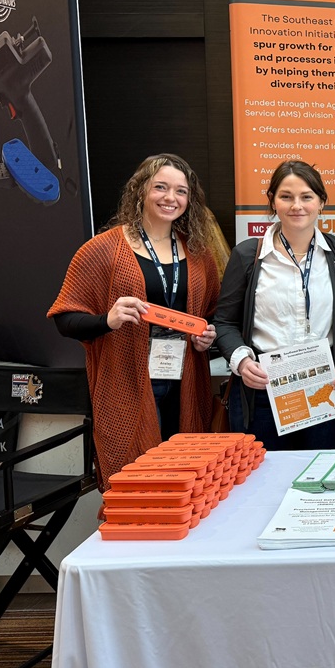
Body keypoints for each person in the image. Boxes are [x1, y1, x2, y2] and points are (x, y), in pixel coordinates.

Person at [48, 153, 220, 489]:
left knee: (184, 479)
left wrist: (207, 338)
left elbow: (210, 316)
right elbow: (64, 318)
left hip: (184, 384)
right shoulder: (101, 250)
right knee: (138, 485)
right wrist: (106, 320)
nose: (171, 198)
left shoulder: (200, 255)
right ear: (139, 191)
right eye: (161, 187)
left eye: (181, 191)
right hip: (127, 381)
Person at [214, 160, 335, 450]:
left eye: (307, 197)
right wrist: (242, 362)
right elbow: (225, 322)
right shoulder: (248, 256)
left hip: (323, 389)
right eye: (286, 196)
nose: (297, 205)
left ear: (321, 202)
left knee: (316, 482)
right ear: (272, 201)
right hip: (263, 393)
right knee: (263, 485)